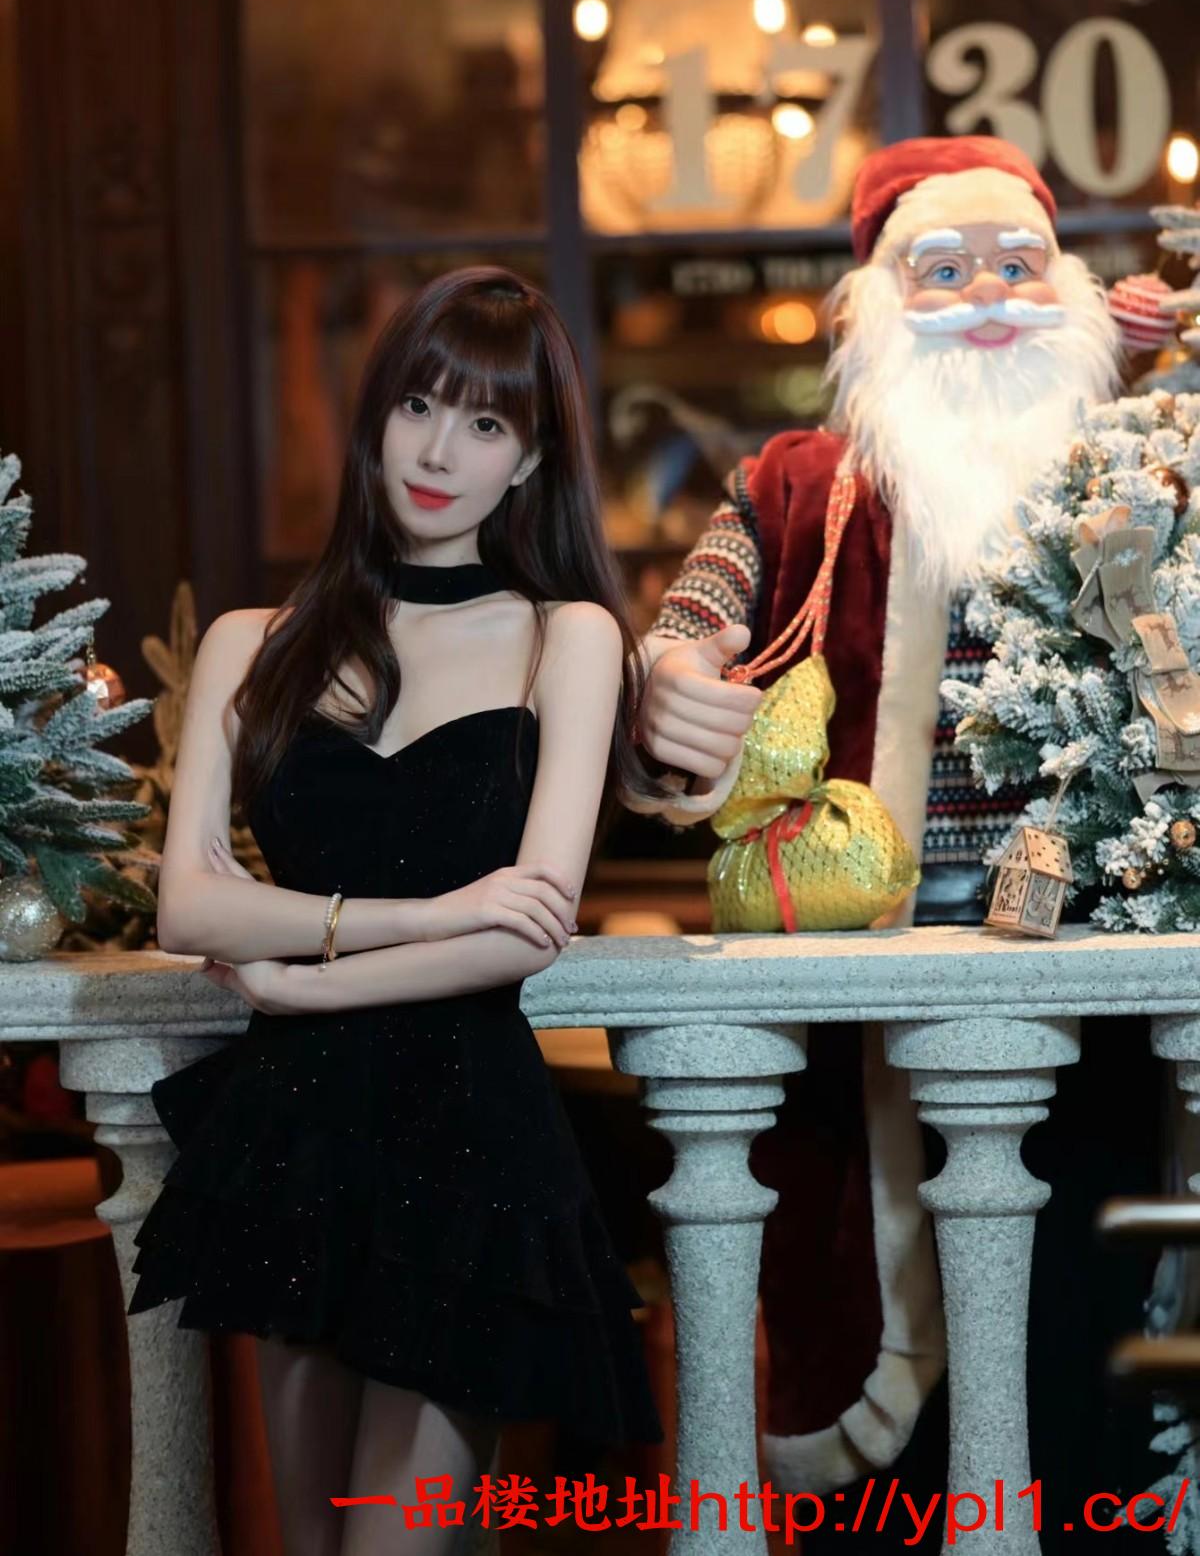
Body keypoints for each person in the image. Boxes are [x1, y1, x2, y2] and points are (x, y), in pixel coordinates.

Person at [127, 266, 668, 1556]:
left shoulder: (570, 636)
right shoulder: (254, 640)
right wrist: (424, 915)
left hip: (467, 1141)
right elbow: (189, 905)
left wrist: (297, 975)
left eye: (484, 423)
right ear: (373, 417)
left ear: (529, 459)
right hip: (294, 1142)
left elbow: (526, 930)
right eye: (417, 406)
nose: (437, 452)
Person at [622, 137, 1129, 1505]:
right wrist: (670, 674)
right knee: (875, 1329)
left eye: (1019, 264)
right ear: (877, 306)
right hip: (862, 991)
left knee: (1080, 1342)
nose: (988, 297)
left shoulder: (1131, 477)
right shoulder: (797, 484)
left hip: (1091, 991)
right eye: (943, 270)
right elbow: (702, 605)